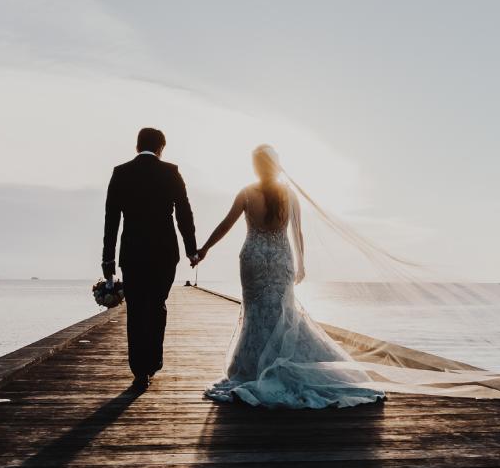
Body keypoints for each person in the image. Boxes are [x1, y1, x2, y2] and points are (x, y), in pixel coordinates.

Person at [194, 145, 385, 408]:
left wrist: (204, 249)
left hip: (253, 258)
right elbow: (298, 232)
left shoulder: (247, 192)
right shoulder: (289, 194)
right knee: (283, 312)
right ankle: (281, 364)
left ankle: (252, 369)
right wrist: (301, 263)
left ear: (255, 166)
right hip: (281, 259)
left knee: (256, 312)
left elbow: (226, 224)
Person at [102, 127, 199, 391]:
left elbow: (111, 219)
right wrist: (192, 249)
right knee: (157, 304)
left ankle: (139, 371)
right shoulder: (171, 172)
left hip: (131, 252)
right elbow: (184, 213)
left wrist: (107, 262)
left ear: (137, 146)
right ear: (161, 148)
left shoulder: (121, 173)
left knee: (135, 310)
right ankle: (153, 361)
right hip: (164, 251)